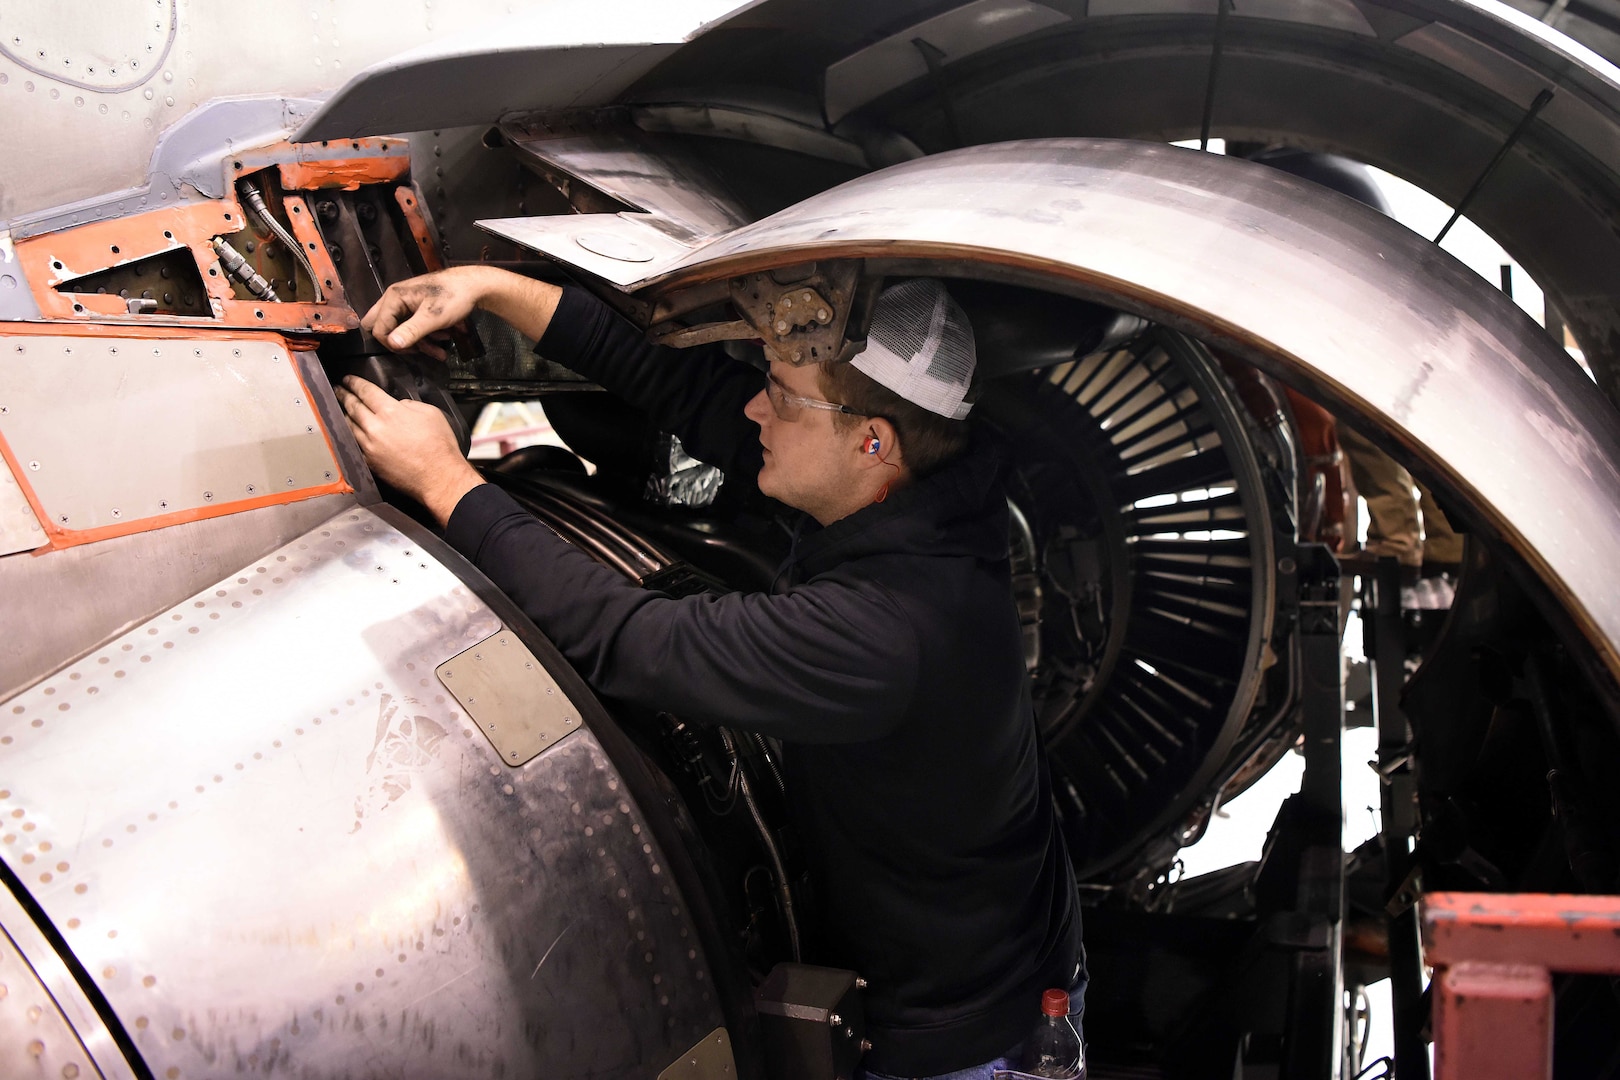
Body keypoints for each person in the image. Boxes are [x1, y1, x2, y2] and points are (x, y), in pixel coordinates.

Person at [335, 265, 1085, 1079]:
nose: (757, 407)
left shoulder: (889, 631)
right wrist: (492, 286)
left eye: (783, 395)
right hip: (1007, 939)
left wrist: (448, 482)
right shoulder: (912, 494)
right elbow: (684, 388)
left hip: (960, 1041)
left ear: (875, 441)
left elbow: (631, 640)